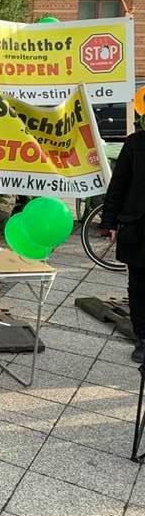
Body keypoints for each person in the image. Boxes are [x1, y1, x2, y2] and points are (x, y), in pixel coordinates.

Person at [102, 125, 145, 362]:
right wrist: (109, 222)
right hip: (139, 228)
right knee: (139, 286)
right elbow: (118, 184)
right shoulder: (135, 144)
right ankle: (143, 337)